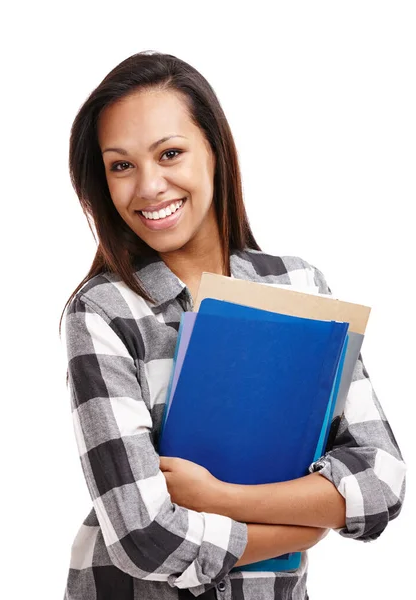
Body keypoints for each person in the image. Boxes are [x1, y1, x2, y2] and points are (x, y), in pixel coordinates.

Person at [59, 50, 406, 600]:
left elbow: (381, 480)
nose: (148, 186)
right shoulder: (103, 311)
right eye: (121, 165)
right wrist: (305, 519)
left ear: (215, 153)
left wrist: (219, 496)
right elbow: (142, 533)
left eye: (170, 153)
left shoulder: (299, 289)